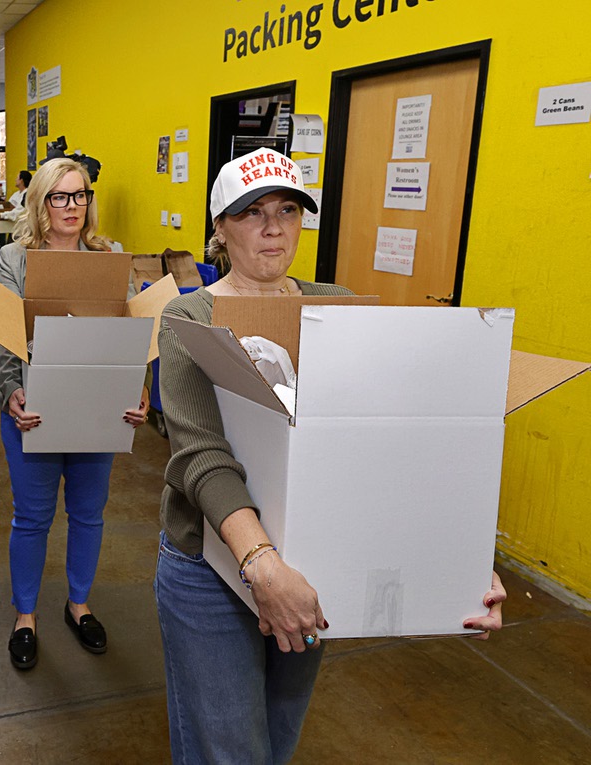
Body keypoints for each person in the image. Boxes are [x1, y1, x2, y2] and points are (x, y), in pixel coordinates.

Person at [153, 148, 508, 763]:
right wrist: (263, 565)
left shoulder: (333, 308)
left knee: (279, 735)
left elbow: (384, 444)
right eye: (251, 213)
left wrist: (456, 557)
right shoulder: (191, 315)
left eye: (288, 210)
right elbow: (200, 455)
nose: (273, 228)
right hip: (211, 565)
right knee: (229, 748)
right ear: (219, 228)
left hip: (313, 564)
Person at [0, 158, 149, 670]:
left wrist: (139, 387)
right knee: (32, 518)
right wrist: (12, 389)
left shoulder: (109, 257)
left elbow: (131, 333)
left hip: (95, 408)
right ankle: (25, 616)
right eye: (59, 196)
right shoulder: (16, 258)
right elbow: (6, 334)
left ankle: (78, 604)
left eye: (80, 195)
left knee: (88, 513)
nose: (72, 207)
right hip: (33, 408)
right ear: (40, 201)